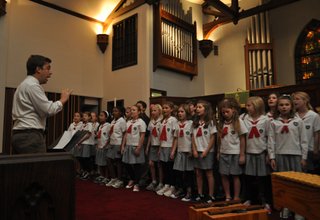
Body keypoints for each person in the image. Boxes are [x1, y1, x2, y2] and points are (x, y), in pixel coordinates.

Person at [12, 54, 72, 154]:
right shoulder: (32, 85)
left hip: (22, 134)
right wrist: (63, 100)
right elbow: (49, 109)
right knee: (38, 168)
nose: (50, 73)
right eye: (48, 68)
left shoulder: (24, 84)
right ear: (38, 69)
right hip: (30, 136)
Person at [268, 95, 308, 219]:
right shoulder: (274, 122)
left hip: (296, 155)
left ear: (291, 106)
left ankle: (298, 210)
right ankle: (286, 207)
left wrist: (304, 157)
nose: (284, 107)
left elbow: (304, 140)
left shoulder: (298, 121)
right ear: (277, 107)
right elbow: (271, 141)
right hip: (281, 155)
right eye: (281, 105)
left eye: (286, 104)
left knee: (297, 184)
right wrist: (272, 157)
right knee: (284, 184)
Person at [241, 96, 271, 213]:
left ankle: (266, 201)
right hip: (249, 152)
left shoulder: (266, 119)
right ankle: (250, 199)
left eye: (249, 105)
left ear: (257, 106)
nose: (246, 107)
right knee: (249, 178)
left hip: (262, 152)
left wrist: (269, 154)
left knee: (263, 179)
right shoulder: (244, 119)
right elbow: (242, 137)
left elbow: (269, 137)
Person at [217, 98, 247, 202]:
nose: (225, 114)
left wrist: (242, 154)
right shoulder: (221, 123)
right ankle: (228, 195)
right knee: (224, 175)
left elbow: (243, 139)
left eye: (227, 111)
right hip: (224, 152)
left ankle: (236, 196)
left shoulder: (239, 122)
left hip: (235, 153)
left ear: (233, 110)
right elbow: (219, 139)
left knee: (235, 175)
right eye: (223, 112)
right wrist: (218, 152)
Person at [192, 100, 217, 203]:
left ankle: (211, 195)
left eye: (200, 107)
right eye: (196, 107)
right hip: (197, 150)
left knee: (209, 173)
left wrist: (207, 151)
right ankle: (200, 193)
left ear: (206, 109)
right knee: (198, 173)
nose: (197, 109)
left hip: (207, 151)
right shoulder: (195, 122)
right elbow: (193, 137)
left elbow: (212, 138)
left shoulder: (210, 121)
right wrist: (194, 149)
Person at [170, 104, 194, 201]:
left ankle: (189, 191)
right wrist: (172, 151)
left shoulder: (191, 123)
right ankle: (180, 189)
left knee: (188, 173)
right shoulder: (177, 124)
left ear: (187, 113)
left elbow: (192, 138)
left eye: (182, 111)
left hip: (188, 151)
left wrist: (192, 149)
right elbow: (175, 139)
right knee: (179, 172)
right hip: (179, 151)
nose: (180, 113)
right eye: (179, 112)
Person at [292, 91, 320, 174]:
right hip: (297, 149)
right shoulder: (294, 116)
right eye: (293, 99)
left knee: (310, 173)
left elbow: (317, 134)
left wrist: (315, 149)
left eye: (297, 99)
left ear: (305, 101)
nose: (294, 101)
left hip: (310, 149)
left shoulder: (314, 115)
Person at [121, 105, 146, 192]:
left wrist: (139, 147)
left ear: (139, 112)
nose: (132, 111)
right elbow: (125, 135)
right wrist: (123, 146)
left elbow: (142, 135)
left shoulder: (141, 122)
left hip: (136, 145)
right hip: (128, 145)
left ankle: (137, 183)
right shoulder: (128, 122)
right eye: (131, 110)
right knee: (126, 163)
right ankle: (132, 178)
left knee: (136, 165)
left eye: (134, 110)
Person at [156, 101, 178, 196]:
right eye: (163, 108)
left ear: (171, 109)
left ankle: (172, 186)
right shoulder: (162, 121)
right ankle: (166, 185)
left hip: (170, 147)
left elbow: (174, 136)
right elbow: (161, 136)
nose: (164, 110)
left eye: (167, 108)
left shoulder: (173, 120)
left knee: (170, 167)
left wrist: (173, 150)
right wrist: (160, 148)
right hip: (163, 146)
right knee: (164, 167)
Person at [105, 106, 126, 188]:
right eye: (113, 111)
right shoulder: (113, 121)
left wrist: (122, 146)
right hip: (112, 143)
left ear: (120, 112)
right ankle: (113, 178)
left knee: (118, 162)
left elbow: (124, 134)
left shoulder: (122, 121)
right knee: (108, 160)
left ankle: (119, 180)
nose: (114, 112)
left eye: (116, 111)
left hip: (118, 143)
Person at [145, 104, 163, 191]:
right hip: (152, 145)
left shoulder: (162, 121)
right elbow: (150, 135)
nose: (152, 112)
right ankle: (154, 181)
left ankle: (160, 182)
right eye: (152, 111)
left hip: (160, 145)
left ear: (159, 111)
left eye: (155, 110)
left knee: (159, 165)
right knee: (151, 164)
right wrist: (148, 147)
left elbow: (163, 136)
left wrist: (160, 147)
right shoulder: (151, 122)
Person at [94, 111, 111, 185]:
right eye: (99, 115)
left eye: (102, 115)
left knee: (105, 163)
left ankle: (107, 177)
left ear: (106, 117)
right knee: (100, 162)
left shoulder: (108, 126)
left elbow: (109, 137)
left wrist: (106, 145)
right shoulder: (100, 126)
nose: (100, 117)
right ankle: (101, 175)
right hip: (99, 146)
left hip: (105, 147)